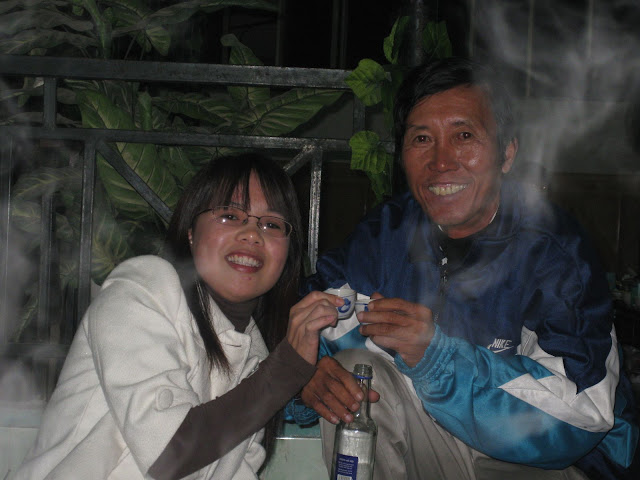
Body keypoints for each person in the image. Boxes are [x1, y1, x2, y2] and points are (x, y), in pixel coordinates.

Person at [288, 57, 639, 479]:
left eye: (465, 135)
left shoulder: (553, 252)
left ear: (507, 153)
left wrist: (437, 360)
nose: (441, 161)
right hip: (436, 446)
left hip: (544, 463)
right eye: (422, 138)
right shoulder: (385, 237)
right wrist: (304, 375)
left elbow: (582, 415)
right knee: (355, 376)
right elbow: (305, 324)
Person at [12, 154, 344, 479]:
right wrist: (286, 368)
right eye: (230, 215)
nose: (252, 234)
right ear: (191, 232)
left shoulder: (255, 354)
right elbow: (167, 456)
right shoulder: (143, 288)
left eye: (271, 224)